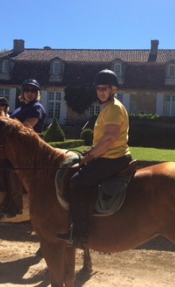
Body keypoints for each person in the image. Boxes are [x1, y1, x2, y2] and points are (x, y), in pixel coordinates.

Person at [56, 69, 132, 248]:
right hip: (110, 156)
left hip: (113, 158)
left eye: (104, 88)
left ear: (113, 89)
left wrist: (89, 157)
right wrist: (92, 150)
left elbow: (109, 139)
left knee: (77, 181)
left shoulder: (113, 108)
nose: (100, 92)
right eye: (98, 89)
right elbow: (104, 140)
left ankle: (80, 233)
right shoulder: (109, 107)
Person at [0, 79, 47, 217]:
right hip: (16, 146)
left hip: (29, 148)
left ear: (37, 93)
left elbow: (26, 127)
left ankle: (16, 205)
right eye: (27, 90)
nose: (29, 93)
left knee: (13, 169)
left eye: (33, 91)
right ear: (23, 92)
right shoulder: (20, 109)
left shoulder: (36, 107)